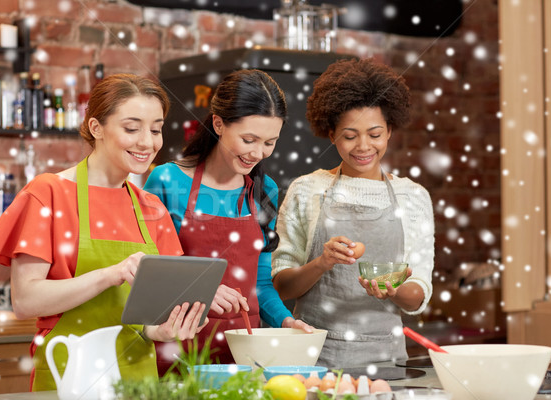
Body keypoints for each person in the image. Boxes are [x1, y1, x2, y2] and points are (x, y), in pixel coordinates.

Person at [0, 74, 208, 391]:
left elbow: (149, 321)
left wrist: (163, 330)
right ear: (96, 128)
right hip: (68, 375)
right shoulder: (48, 193)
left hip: (137, 380)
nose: (147, 141)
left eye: (155, 129)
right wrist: (109, 275)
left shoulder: (151, 207)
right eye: (132, 128)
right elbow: (26, 301)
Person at [144, 69, 312, 370]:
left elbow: (259, 283)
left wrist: (286, 321)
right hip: (177, 347)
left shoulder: (264, 191)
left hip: (243, 354)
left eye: (269, 142)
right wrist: (202, 290)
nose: (258, 153)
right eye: (249, 139)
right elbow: (147, 274)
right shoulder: (167, 180)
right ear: (219, 124)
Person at [271, 58, 435, 367]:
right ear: (331, 134)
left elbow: (418, 297)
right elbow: (282, 285)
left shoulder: (413, 197)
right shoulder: (307, 190)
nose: (363, 146)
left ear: (389, 131)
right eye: (349, 135)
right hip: (315, 356)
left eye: (374, 134)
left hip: (387, 361)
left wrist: (393, 291)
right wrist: (322, 262)